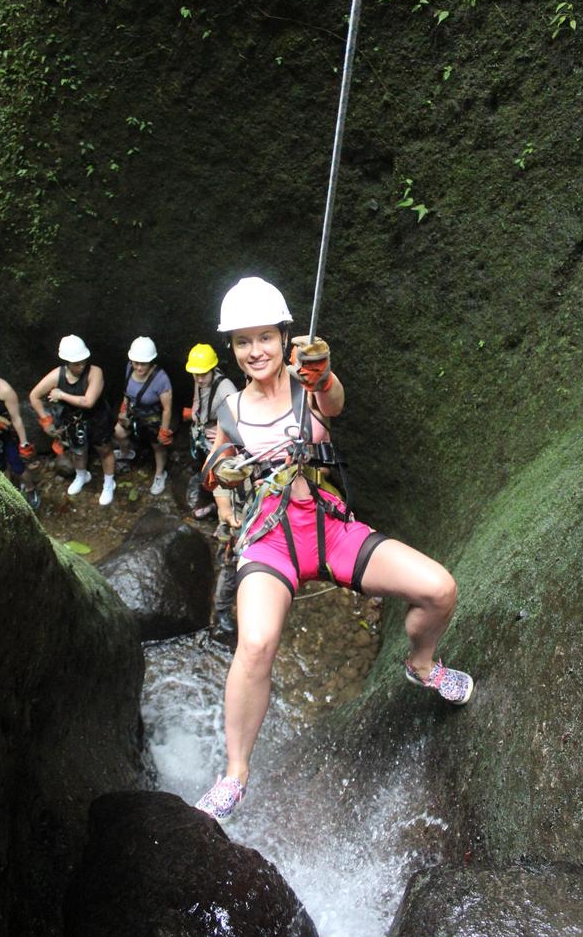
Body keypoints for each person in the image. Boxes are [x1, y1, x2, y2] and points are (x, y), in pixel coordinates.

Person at [195, 277, 474, 822]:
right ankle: (234, 774)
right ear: (233, 348)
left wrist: (322, 374)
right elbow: (215, 466)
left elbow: (334, 403)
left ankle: (420, 664)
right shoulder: (229, 411)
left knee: (439, 588)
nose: (255, 351)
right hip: (271, 537)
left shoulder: (308, 384)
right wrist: (220, 471)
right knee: (255, 643)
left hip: (326, 525)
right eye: (243, 342)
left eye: (265, 338)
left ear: (284, 336)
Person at [183, 343, 239, 634]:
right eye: (195, 374)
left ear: (213, 369)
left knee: (221, 478)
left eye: (203, 374)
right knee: (210, 478)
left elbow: (233, 428)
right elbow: (198, 399)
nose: (199, 378)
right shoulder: (200, 382)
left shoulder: (226, 389)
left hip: (222, 447)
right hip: (206, 441)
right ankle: (221, 612)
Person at [29, 335, 116, 506]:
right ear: (67, 361)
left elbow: (88, 401)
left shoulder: (95, 372)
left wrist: (61, 394)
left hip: (97, 418)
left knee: (104, 450)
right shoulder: (57, 375)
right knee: (78, 451)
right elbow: (34, 395)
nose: (81, 366)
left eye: (83, 361)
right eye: (76, 363)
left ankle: (108, 483)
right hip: (73, 421)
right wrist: (46, 420)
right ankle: (81, 475)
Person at [0, 346, 40, 509]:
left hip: (7, 435)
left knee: (18, 466)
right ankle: (9, 492)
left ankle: (30, 489)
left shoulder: (3, 389)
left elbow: (16, 419)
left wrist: (24, 444)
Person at [114, 337, 172, 496]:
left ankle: (160, 474)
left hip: (152, 417)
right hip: (134, 414)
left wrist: (163, 431)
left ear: (151, 361)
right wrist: (123, 409)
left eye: (143, 364)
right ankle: (126, 453)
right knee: (118, 431)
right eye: (136, 363)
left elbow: (167, 409)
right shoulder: (128, 368)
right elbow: (126, 394)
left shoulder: (161, 379)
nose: (139, 367)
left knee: (157, 447)